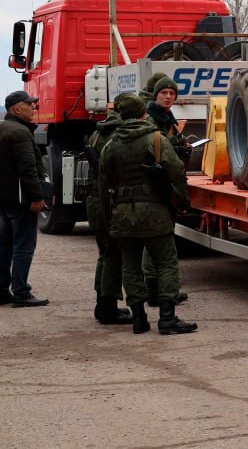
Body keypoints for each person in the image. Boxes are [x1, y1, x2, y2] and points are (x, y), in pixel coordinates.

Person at [102, 94, 197, 335]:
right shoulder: (156, 139)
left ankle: (138, 318)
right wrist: (183, 202)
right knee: (165, 263)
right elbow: (175, 172)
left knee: (130, 266)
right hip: (155, 212)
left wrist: (108, 218)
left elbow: (104, 183)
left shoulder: (111, 144)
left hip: (122, 214)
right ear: (143, 113)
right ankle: (167, 318)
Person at [0, 90, 49, 307]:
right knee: (24, 246)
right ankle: (21, 292)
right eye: (29, 104)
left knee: (4, 246)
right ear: (16, 108)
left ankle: (1, 292)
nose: (34, 107)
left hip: (5, 200)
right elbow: (28, 169)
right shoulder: (20, 132)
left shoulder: (1, 130)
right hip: (21, 201)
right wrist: (36, 198)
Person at [86, 93, 134, 325]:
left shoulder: (98, 131)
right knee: (113, 256)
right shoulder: (118, 135)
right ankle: (107, 308)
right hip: (108, 200)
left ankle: (102, 304)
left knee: (105, 254)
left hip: (94, 199)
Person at [143, 74, 189, 306]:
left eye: (172, 93)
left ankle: (159, 290)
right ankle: (154, 292)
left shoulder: (167, 117)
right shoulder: (151, 119)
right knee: (157, 244)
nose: (169, 97)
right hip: (157, 187)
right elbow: (155, 149)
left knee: (163, 240)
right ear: (156, 95)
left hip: (165, 184)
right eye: (164, 93)